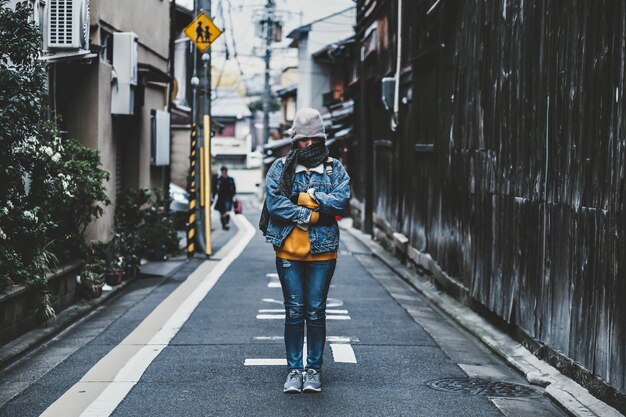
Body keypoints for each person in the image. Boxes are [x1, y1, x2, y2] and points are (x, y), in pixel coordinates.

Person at [263, 108, 350, 393]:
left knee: (315, 311)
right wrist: (311, 213)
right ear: (295, 140)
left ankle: (313, 370)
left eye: (314, 139)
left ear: (322, 138)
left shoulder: (334, 168)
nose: (309, 145)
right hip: (288, 250)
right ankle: (293, 370)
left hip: (323, 252)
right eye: (304, 140)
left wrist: (305, 196)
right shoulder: (280, 168)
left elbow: (340, 202)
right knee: (293, 310)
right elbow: (275, 204)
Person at [213, 166, 236, 230]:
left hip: (227, 198)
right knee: (222, 212)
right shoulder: (219, 179)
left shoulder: (228, 179)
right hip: (222, 198)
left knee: (226, 211)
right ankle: (224, 224)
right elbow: (215, 188)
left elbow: (233, 188)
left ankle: (225, 224)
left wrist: (233, 195)